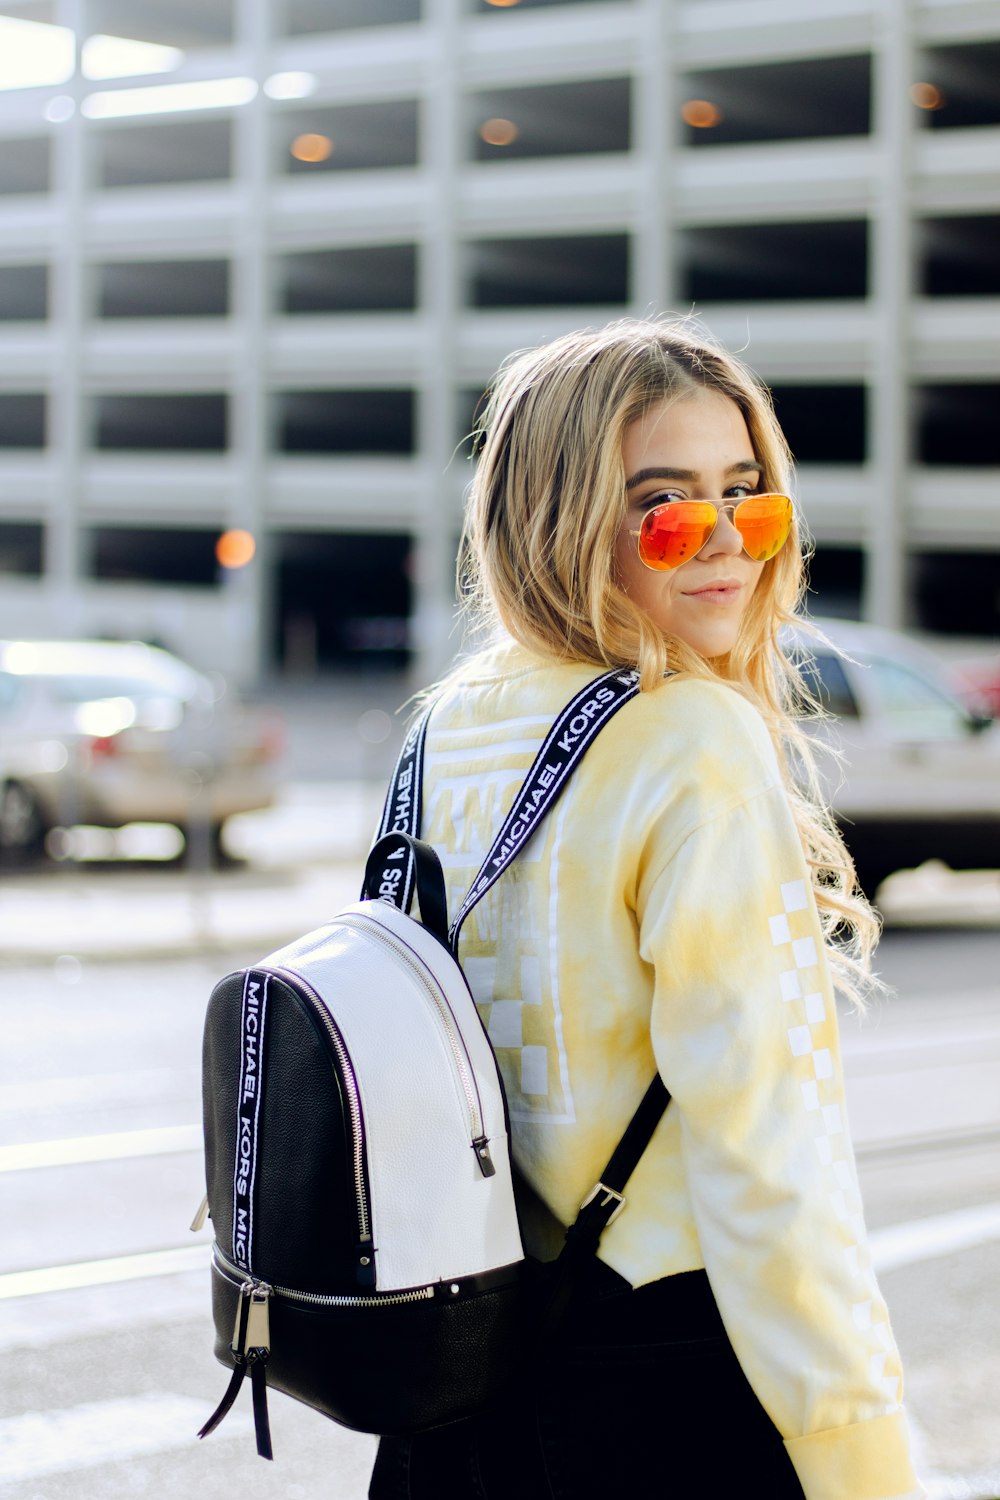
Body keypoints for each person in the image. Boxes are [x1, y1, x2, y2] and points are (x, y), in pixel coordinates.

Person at [369, 318, 925, 1500]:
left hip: (454, 1385)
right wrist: (859, 1457)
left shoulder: (446, 726)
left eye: (751, 499)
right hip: (660, 1384)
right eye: (665, 507)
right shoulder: (690, 737)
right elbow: (770, 1158)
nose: (726, 544)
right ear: (560, 522)